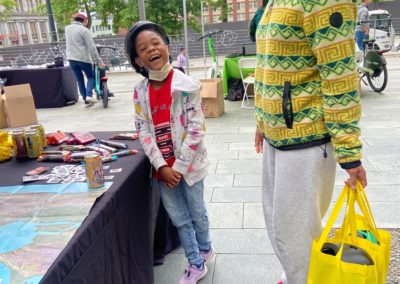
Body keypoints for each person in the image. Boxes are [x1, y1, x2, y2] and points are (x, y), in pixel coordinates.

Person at [254, 1, 367, 284]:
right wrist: (262, 121)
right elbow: (267, 63)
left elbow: (340, 79)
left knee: (296, 237)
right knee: (281, 230)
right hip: (277, 137)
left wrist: (349, 151)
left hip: (307, 139)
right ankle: (293, 276)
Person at [125, 21, 214, 284]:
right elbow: (143, 130)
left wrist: (178, 167)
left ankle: (206, 247)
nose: (150, 49)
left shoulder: (188, 85)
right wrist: (162, 166)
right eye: (142, 48)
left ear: (167, 46)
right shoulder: (140, 91)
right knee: (180, 219)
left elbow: (196, 129)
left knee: (198, 213)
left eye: (155, 43)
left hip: (190, 168)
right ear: (138, 60)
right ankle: (196, 264)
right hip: (162, 172)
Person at [65, 12, 104, 105]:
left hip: (71, 58)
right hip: (83, 58)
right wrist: (99, 61)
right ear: (85, 21)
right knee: (91, 77)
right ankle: (89, 95)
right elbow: (91, 47)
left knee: (79, 79)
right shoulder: (84, 30)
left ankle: (85, 99)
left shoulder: (67, 29)